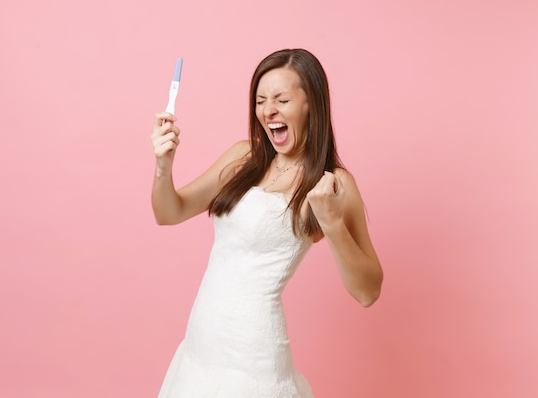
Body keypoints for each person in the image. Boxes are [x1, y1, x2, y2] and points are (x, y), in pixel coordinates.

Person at [150, 48, 383, 397]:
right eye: (260, 100)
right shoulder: (242, 157)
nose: (268, 110)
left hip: (254, 356)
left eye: (281, 99)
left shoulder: (332, 184)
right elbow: (169, 212)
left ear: (311, 104)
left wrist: (332, 222)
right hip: (202, 343)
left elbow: (368, 292)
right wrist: (163, 165)